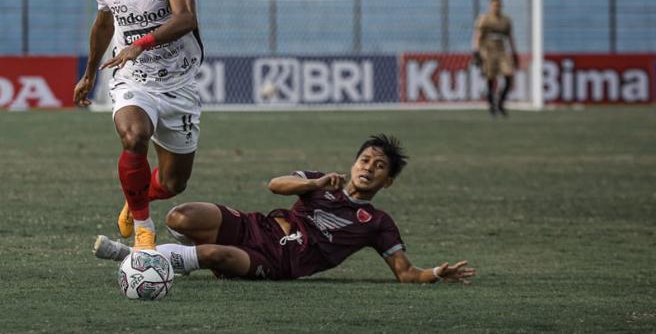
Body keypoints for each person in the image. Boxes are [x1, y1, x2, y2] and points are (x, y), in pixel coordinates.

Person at [93, 134, 476, 284]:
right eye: (365, 159)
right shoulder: (322, 181)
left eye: (379, 167)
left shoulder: (378, 223)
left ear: (387, 182)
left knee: (213, 254)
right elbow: (274, 186)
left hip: (280, 262)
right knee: (181, 217)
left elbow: (405, 272)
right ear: (355, 160)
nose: (368, 168)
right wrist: (313, 183)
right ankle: (180, 257)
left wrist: (437, 273)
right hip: (258, 226)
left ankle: (133, 257)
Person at [73, 0, 203, 251]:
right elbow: (103, 26)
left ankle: (134, 202)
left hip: (179, 84)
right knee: (134, 136)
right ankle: (144, 229)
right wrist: (88, 74)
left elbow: (186, 18)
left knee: (175, 182)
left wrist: (139, 44)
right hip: (133, 80)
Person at [472, 0, 519, 117]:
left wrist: (515, 54)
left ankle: (500, 102)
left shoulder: (506, 21)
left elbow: (510, 38)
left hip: (502, 52)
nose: (496, 8)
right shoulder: (484, 19)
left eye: (498, 5)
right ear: (490, 6)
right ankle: (491, 105)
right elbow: (478, 36)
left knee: (509, 76)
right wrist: (476, 53)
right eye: (494, 5)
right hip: (488, 52)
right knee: (491, 79)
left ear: (501, 6)